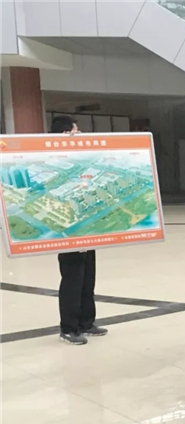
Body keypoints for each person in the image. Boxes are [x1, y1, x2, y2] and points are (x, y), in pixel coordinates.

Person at [52, 115, 108, 345]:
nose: (80, 134)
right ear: (65, 134)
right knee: (73, 280)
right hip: (70, 230)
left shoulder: (79, 160)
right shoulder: (56, 161)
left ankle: (86, 322)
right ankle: (69, 328)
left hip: (87, 228)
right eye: (76, 131)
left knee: (88, 278)